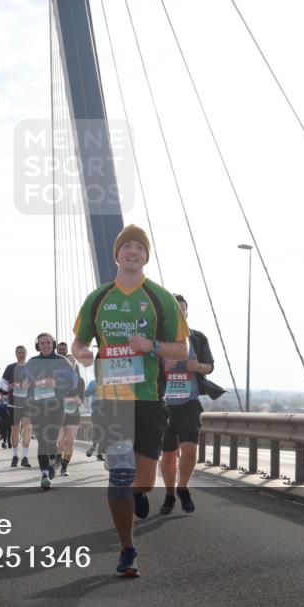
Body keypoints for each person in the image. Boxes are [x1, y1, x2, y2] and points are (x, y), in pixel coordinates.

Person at [71, 224, 189, 578]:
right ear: (117, 254)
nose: (133, 252)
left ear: (146, 256)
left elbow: (181, 349)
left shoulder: (160, 298)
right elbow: (78, 342)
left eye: (140, 247)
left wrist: (151, 346)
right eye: (127, 247)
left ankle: (140, 492)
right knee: (120, 475)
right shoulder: (98, 297)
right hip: (112, 399)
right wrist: (83, 354)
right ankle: (127, 548)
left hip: (149, 398)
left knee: (143, 481)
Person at [160, 294, 224, 514]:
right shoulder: (158, 341)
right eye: (176, 310)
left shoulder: (198, 338)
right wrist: (164, 367)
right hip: (165, 405)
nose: (181, 313)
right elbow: (147, 372)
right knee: (168, 455)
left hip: (190, 402)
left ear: (187, 312)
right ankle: (169, 494)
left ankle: (183, 487)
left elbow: (209, 366)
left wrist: (197, 367)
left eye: (183, 309)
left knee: (189, 449)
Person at [23, 333, 80, 489]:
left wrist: (56, 383)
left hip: (56, 406)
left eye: (48, 342)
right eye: (42, 343)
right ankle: (44, 475)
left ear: (53, 344)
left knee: (52, 439)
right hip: (36, 406)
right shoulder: (33, 362)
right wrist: (25, 383)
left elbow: (73, 382)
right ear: (38, 346)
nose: (45, 345)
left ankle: (53, 460)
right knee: (42, 439)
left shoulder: (62, 361)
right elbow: (24, 380)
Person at [54, 341, 84, 476]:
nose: (70, 363)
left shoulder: (80, 381)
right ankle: (58, 458)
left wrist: (69, 400)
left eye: (72, 361)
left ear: (75, 364)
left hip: (73, 414)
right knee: (60, 441)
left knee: (70, 440)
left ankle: (64, 467)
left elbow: (80, 400)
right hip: (60, 414)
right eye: (67, 361)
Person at [0, 345, 32, 467]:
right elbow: (3, 383)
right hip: (13, 404)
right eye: (19, 352)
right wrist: (8, 387)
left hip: (28, 404)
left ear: (26, 353)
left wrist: (29, 383)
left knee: (27, 429)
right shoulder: (10, 367)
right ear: (16, 354)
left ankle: (25, 457)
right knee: (15, 430)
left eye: (23, 352)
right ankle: (15, 456)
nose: (21, 354)